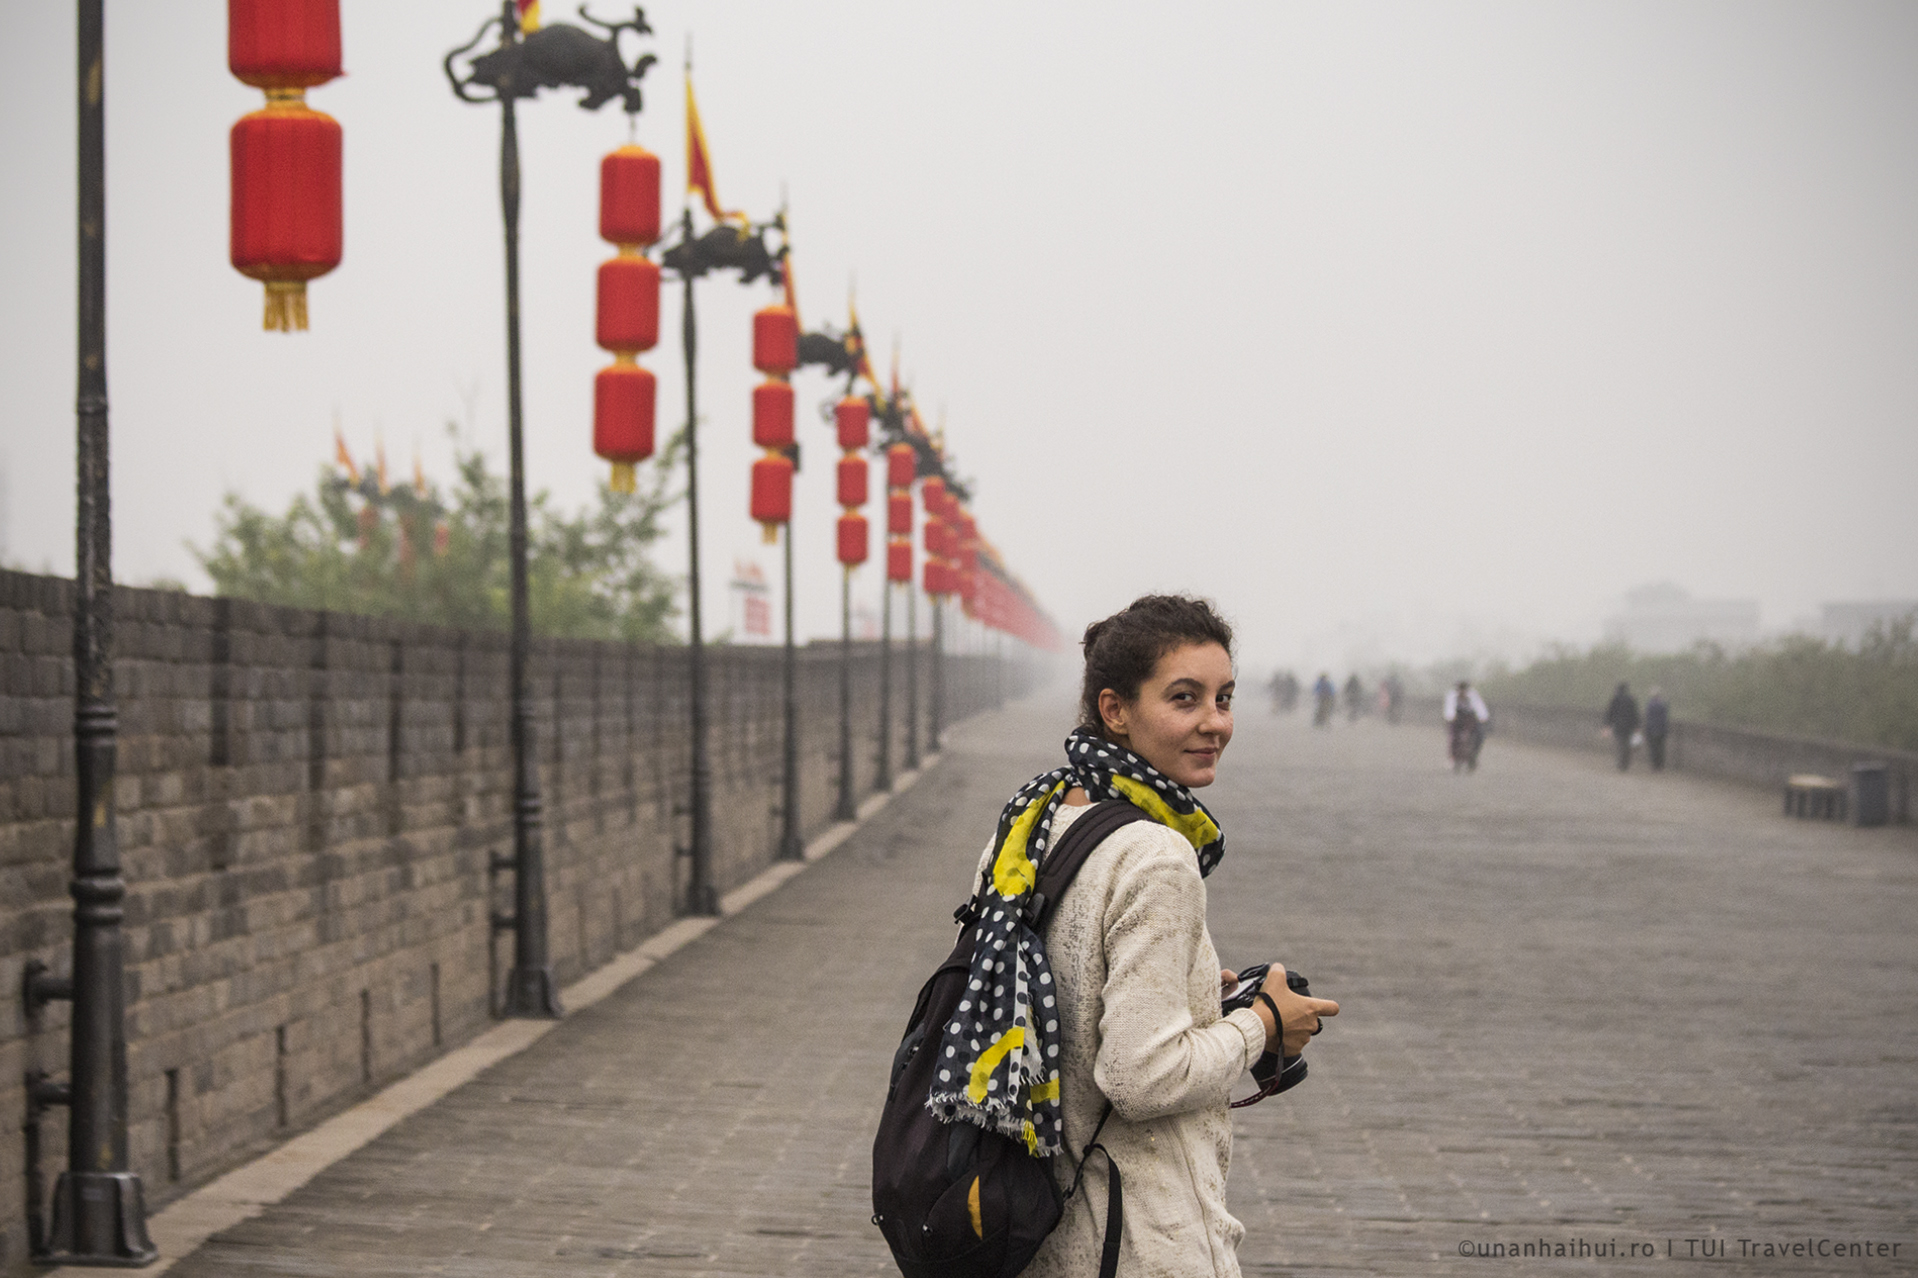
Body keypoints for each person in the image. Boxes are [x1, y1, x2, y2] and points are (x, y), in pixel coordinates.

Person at [944, 595, 1338, 1278]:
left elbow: (1068, 999)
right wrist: (1263, 1025)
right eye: (1185, 699)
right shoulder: (1158, 855)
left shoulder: (1033, 818)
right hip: (1135, 1238)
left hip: (1032, 1229)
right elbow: (1141, 1078)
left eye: (1224, 698)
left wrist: (1192, 996)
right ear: (1115, 709)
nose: (1215, 722)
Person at [1442, 680, 1489, 772]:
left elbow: (1479, 707)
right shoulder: (1452, 695)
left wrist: (1483, 717)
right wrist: (1450, 717)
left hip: (1470, 717)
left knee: (1480, 735)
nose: (1462, 692)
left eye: (1464, 690)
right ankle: (1455, 758)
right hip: (1457, 717)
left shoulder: (1473, 695)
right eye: (1460, 690)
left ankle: (1473, 757)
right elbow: (1449, 708)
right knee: (1454, 737)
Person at [1604, 681, 1640, 771]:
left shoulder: (1615, 699)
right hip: (1629, 726)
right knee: (1627, 744)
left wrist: (1607, 724)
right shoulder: (1631, 699)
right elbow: (1635, 713)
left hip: (1618, 725)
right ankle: (1625, 763)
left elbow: (1610, 712)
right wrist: (1637, 725)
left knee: (1620, 744)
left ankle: (1621, 763)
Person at [1643, 687, 1670, 771]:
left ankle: (1654, 765)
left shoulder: (1650, 705)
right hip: (1661, 729)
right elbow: (1665, 718)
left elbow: (1648, 718)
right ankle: (1661, 765)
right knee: (1661, 748)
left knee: (1653, 748)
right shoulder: (1663, 705)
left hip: (1652, 729)